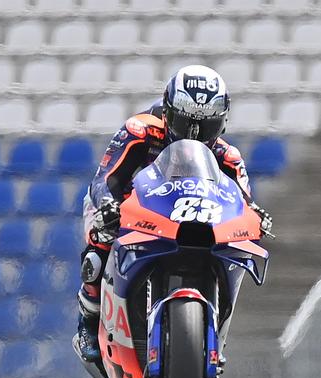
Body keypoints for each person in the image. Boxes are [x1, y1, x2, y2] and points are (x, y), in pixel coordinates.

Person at [77, 65, 273, 362]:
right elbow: (106, 178)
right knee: (98, 240)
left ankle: (216, 338)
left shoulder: (228, 157)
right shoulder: (139, 131)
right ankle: (88, 323)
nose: (193, 135)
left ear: (221, 124)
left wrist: (257, 218)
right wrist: (109, 205)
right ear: (168, 112)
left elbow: (244, 202)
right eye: (186, 123)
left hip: (194, 221)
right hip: (136, 216)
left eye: (204, 127)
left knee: (237, 254)